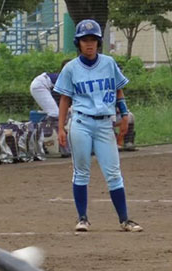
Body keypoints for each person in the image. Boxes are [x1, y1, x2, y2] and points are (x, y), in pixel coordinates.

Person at [54, 19, 143, 233]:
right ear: (78, 43)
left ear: (99, 42)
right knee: (81, 171)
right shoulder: (70, 68)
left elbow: (119, 90)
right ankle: (82, 218)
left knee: (113, 173)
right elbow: (65, 99)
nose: (89, 43)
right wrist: (60, 127)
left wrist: (124, 116)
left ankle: (124, 220)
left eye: (93, 39)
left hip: (105, 124)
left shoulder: (109, 63)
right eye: (85, 40)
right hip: (81, 122)